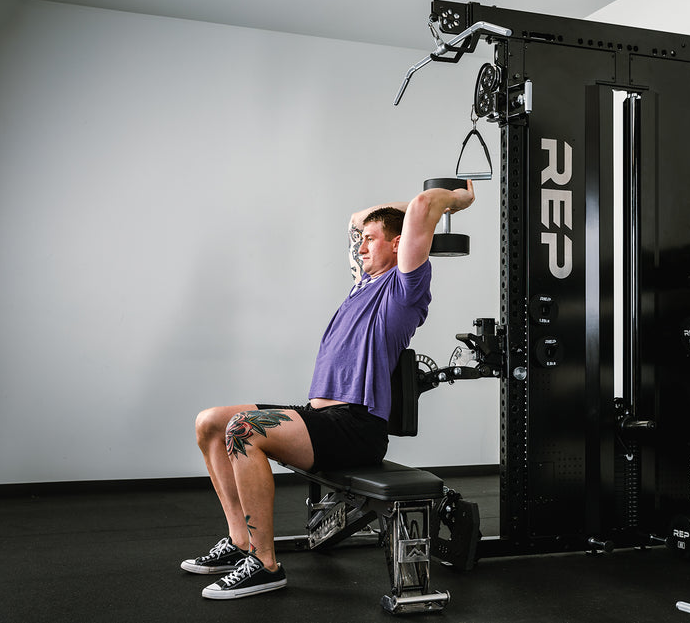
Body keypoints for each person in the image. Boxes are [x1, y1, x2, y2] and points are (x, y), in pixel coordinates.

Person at [180, 180, 475, 600]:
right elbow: (357, 220)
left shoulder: (402, 292)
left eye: (373, 241)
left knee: (244, 429)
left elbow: (426, 204)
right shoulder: (361, 285)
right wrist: (381, 220)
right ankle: (240, 542)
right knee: (210, 422)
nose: (361, 247)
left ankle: (264, 565)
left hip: (356, 426)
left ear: (398, 245)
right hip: (321, 417)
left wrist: (458, 201)